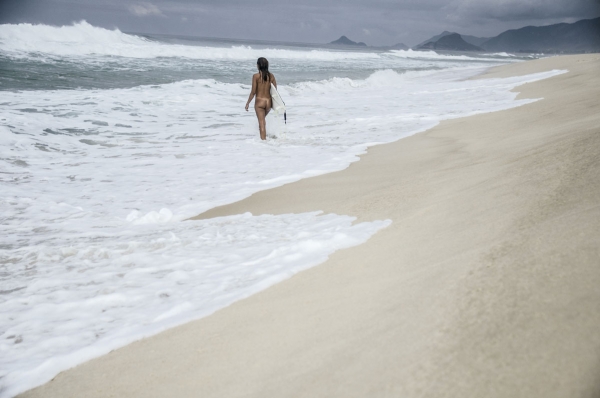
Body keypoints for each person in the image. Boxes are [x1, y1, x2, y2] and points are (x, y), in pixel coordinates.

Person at [245, 57, 277, 140]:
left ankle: (264, 143)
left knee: (261, 123)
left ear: (258, 65)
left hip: (259, 102)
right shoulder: (271, 76)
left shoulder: (256, 76)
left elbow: (253, 92)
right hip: (268, 103)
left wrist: (247, 103)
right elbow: (275, 91)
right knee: (262, 120)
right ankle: (264, 136)